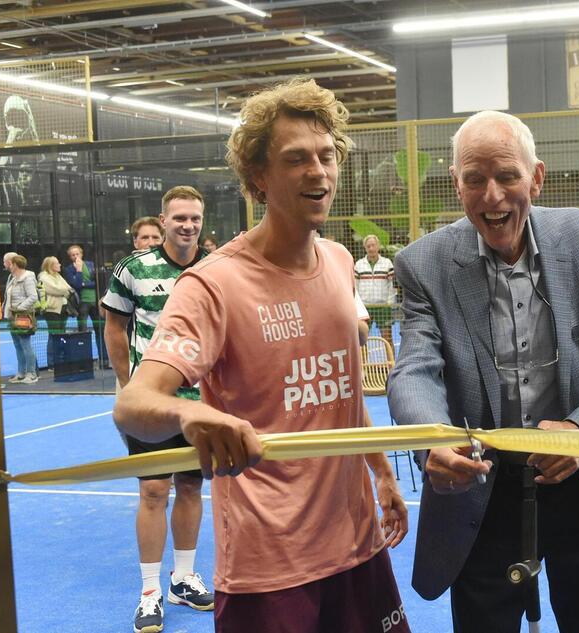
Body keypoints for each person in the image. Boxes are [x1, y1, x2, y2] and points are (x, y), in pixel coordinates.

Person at [113, 78, 410, 633]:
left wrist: (380, 471)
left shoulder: (341, 260)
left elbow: (339, 387)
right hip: (271, 564)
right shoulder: (212, 286)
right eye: (296, 159)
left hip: (357, 541)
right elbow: (133, 404)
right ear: (258, 178)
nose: (318, 172)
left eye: (326, 156)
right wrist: (189, 412)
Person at [387, 110, 579, 633]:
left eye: (508, 176)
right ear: (456, 184)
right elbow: (415, 369)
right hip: (480, 490)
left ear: (536, 177)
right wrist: (433, 440)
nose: (492, 196)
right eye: (475, 179)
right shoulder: (423, 264)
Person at [102, 187, 212, 633]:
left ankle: (182, 578)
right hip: (151, 407)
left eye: (195, 219)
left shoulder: (213, 268)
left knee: (189, 488)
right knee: (153, 492)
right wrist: (130, 387)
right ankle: (150, 590)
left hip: (200, 406)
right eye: (179, 218)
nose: (188, 225)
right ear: (162, 221)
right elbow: (114, 326)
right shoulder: (134, 269)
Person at [63, 244, 108, 366]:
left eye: (77, 254)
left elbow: (98, 282)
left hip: (96, 302)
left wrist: (85, 284)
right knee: (82, 332)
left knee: (101, 331)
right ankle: (85, 361)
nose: (75, 256)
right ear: (70, 257)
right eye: (72, 255)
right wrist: (78, 271)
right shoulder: (69, 270)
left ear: (81, 254)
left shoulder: (91, 265)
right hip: (82, 304)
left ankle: (104, 360)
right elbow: (76, 284)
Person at [3, 254, 39, 384]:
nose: (6, 266)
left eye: (8, 263)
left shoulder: (28, 278)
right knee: (18, 346)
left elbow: (33, 297)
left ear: (14, 264)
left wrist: (19, 308)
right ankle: (21, 373)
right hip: (12, 317)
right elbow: (8, 297)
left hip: (23, 316)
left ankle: (32, 373)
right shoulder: (11, 278)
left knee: (25, 345)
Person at [354, 234, 396, 344]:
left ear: (378, 246)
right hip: (365, 307)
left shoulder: (387, 263)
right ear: (365, 248)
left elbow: (392, 285)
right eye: (368, 246)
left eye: (373, 245)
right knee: (362, 339)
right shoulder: (358, 265)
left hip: (383, 307)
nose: (371, 248)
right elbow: (355, 286)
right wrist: (358, 305)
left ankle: (391, 361)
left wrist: (389, 302)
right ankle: (363, 362)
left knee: (387, 338)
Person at [38, 256, 73, 370]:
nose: (60, 265)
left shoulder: (58, 276)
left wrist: (63, 290)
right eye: (57, 263)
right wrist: (64, 291)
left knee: (61, 335)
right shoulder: (43, 277)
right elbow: (56, 289)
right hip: (52, 310)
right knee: (54, 336)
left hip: (63, 309)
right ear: (50, 266)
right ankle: (52, 364)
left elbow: (69, 289)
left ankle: (60, 361)